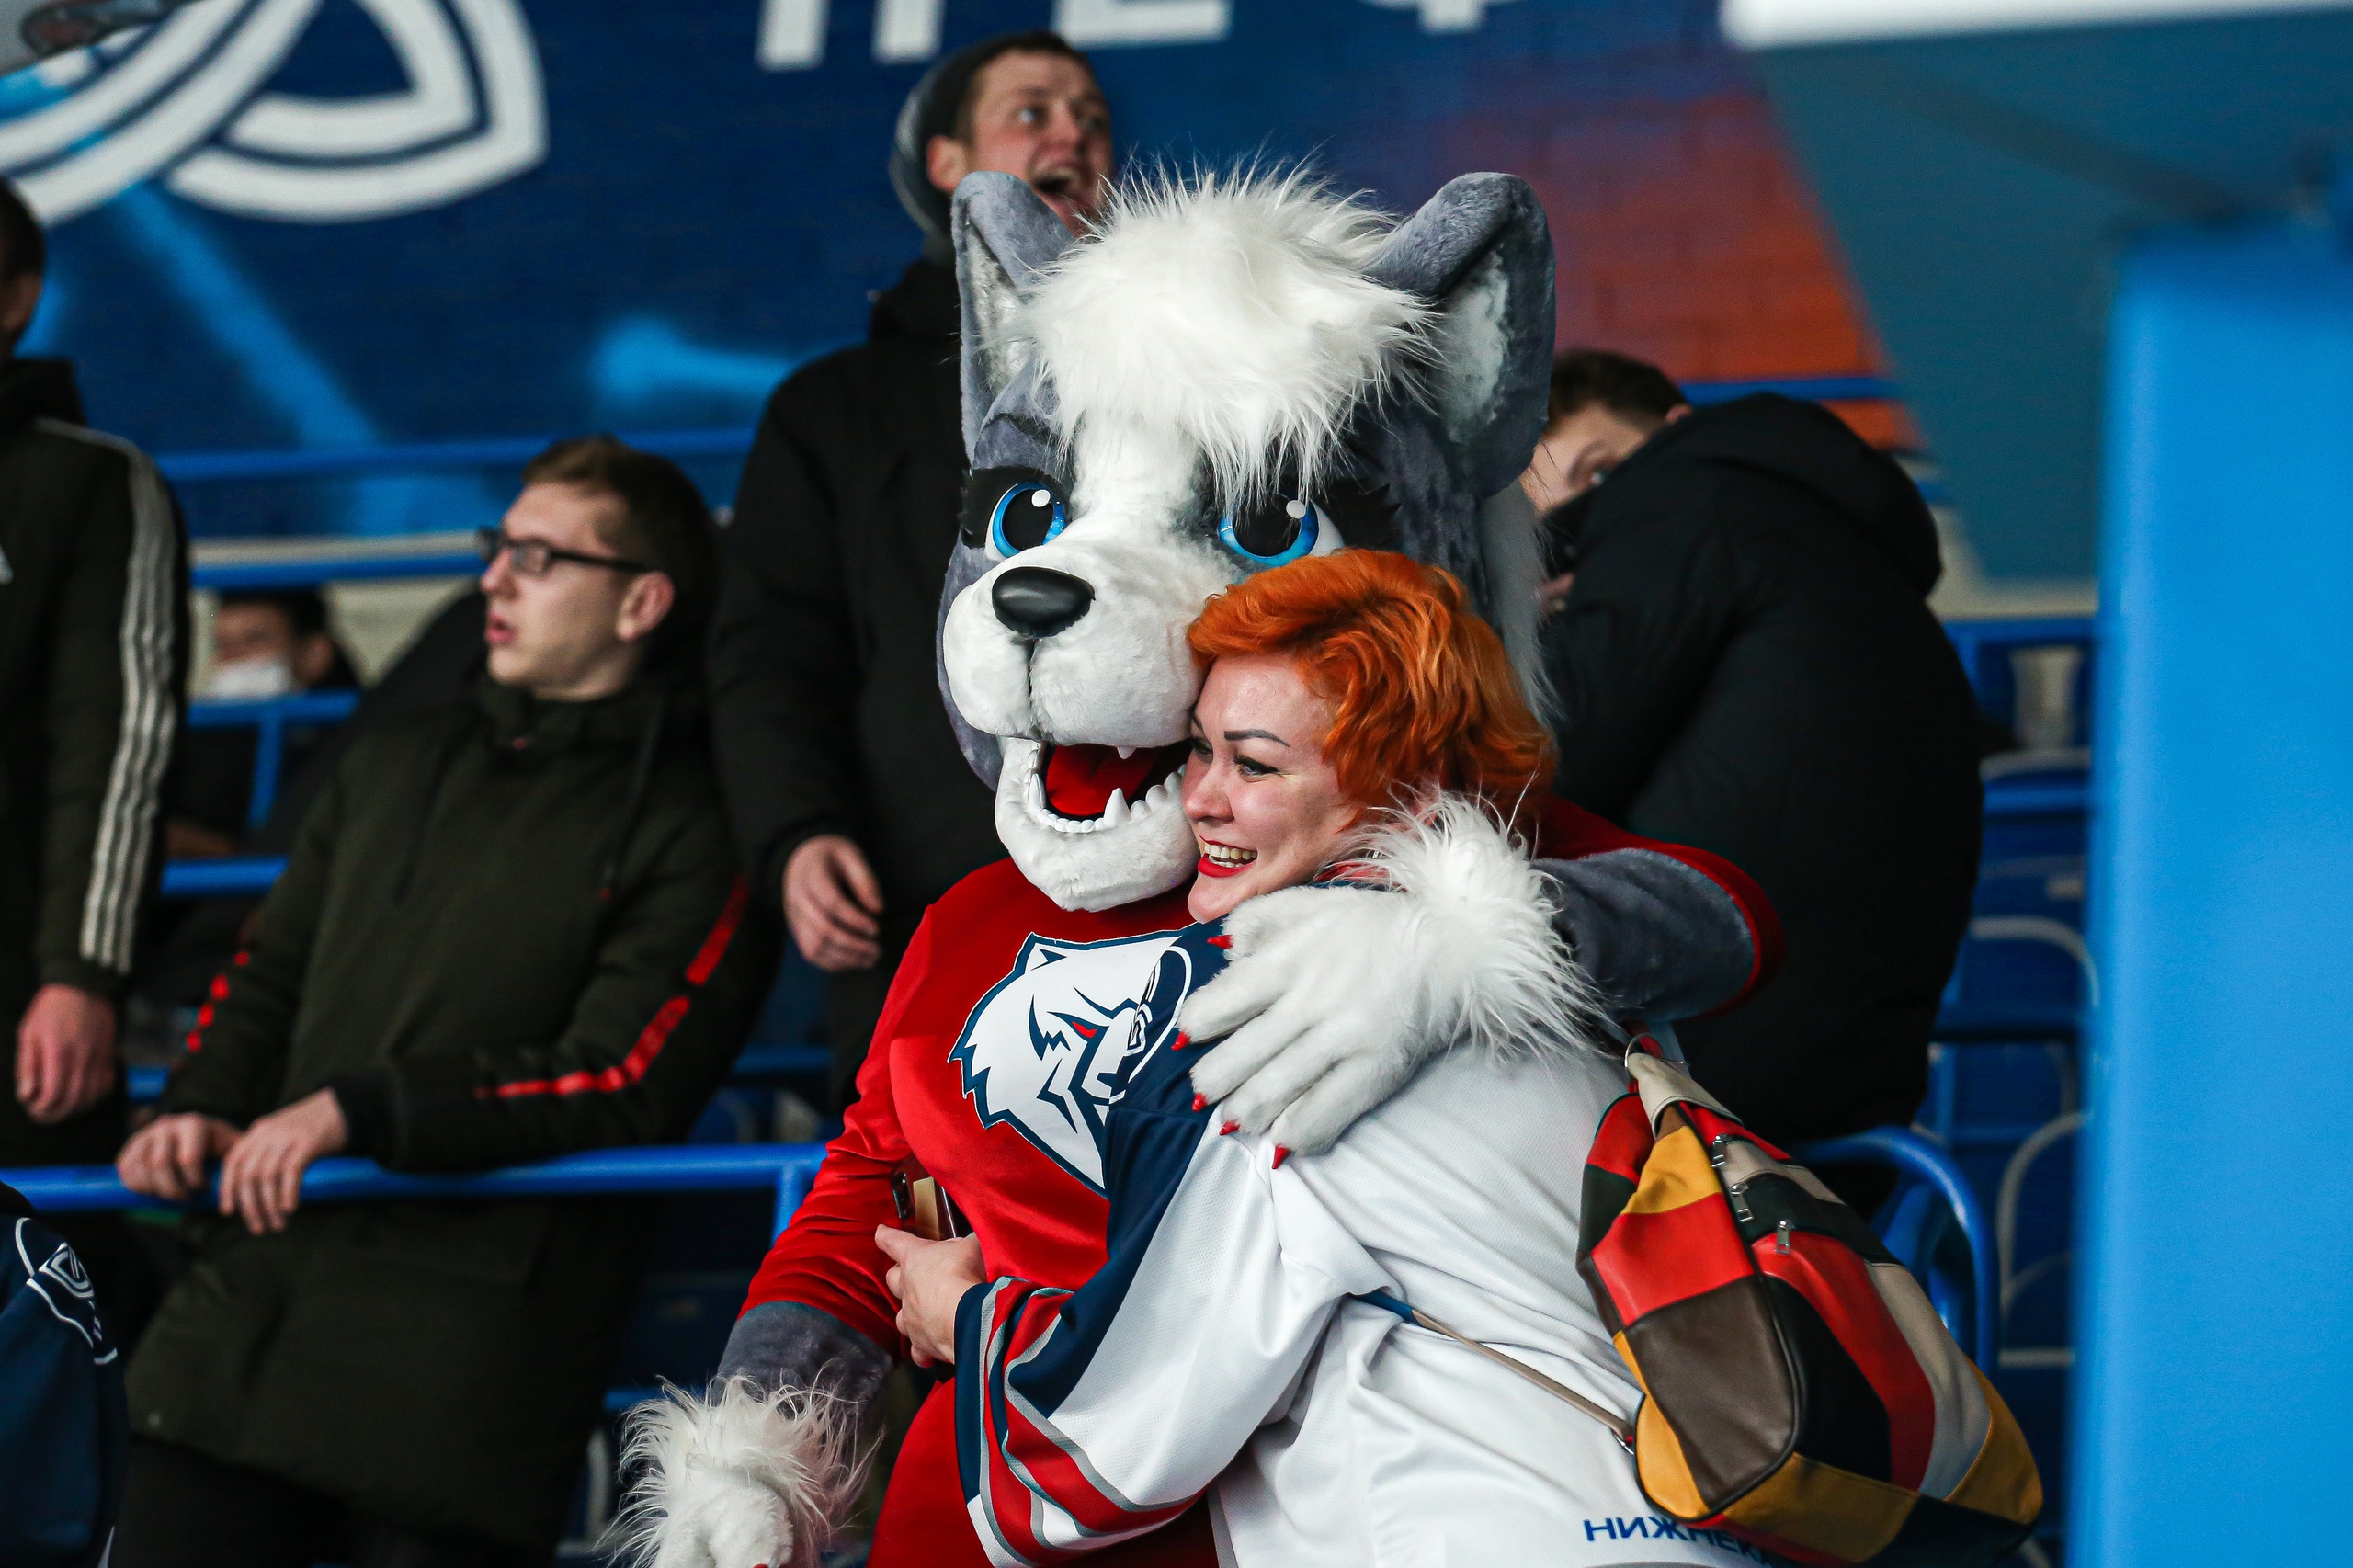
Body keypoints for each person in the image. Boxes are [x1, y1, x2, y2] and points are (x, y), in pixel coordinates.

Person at [878, 551, 1752, 1566]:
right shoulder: (1584, 987)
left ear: (1413, 794)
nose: (1200, 799)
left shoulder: (1263, 1008)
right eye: (1197, 751)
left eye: (1254, 765)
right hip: (1710, 1528)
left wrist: (965, 1314)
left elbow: (1100, 1462)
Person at [108, 437, 781, 1567]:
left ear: (642, 602)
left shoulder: (700, 823)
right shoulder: (392, 757)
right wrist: (199, 1102)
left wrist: (357, 1110)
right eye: (495, 546)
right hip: (252, 1315)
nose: (493, 579)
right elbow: (269, 967)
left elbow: (622, 1076)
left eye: (539, 556)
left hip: (465, 1370)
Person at [708, 29, 1114, 1104]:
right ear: (946, 163)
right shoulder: (833, 408)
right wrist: (797, 832)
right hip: (923, 910)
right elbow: (771, 652)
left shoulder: (1168, 378)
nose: (1073, 134)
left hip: (1158, 886)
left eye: (1092, 118)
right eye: (1032, 111)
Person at [1530, 347, 1982, 1153]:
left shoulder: (1681, 492)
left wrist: (1532, 633)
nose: (1577, 529)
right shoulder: (1838, 555)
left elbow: (1545, 765)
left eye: (1598, 473)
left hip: (1710, 1092)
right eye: (1546, 521)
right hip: (1847, 1091)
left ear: (1676, 429)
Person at [0, 175, 187, 1325]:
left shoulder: (90, 481)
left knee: (39, 1317)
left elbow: (115, 743)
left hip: (22, 991)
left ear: (16, 297)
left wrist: (82, 972)